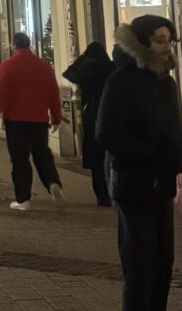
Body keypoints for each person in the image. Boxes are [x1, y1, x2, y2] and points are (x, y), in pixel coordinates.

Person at [96, 16, 182, 311]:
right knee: (140, 266)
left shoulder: (166, 82)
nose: (166, 47)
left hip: (162, 185)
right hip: (133, 184)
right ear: (143, 43)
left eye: (169, 40)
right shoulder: (121, 81)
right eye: (160, 40)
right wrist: (148, 153)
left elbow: (173, 129)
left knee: (163, 265)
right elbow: (106, 133)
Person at [0, 32, 63, 211]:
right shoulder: (44, 66)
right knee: (42, 154)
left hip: (16, 121)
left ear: (14, 45)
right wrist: (56, 116)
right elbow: (53, 93)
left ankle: (23, 199)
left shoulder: (7, 66)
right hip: (39, 119)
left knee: (20, 159)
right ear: (29, 45)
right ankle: (52, 182)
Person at [63, 41, 114, 207]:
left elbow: (68, 73)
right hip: (109, 112)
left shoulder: (87, 69)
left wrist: (82, 58)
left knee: (96, 158)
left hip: (92, 113)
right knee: (109, 154)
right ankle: (112, 191)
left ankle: (101, 196)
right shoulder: (111, 68)